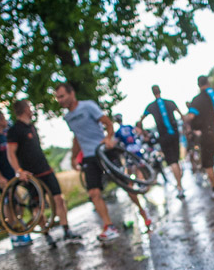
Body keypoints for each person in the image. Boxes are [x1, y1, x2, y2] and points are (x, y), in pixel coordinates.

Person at [54, 83, 151, 240]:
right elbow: (77, 137)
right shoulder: (68, 117)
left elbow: (108, 123)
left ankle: (143, 212)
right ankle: (109, 226)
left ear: (72, 94)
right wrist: (73, 157)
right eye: (57, 97)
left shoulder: (88, 107)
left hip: (104, 152)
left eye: (62, 96)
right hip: (89, 157)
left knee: (126, 185)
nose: (59, 100)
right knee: (93, 192)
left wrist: (108, 138)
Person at [5, 99, 80, 246]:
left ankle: (66, 230)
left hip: (45, 169)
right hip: (31, 176)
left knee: (59, 199)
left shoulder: (31, 127)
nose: (32, 110)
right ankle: (46, 234)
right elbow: (11, 153)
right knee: (37, 207)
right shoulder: (15, 130)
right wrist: (19, 171)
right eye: (30, 107)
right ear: (25, 109)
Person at [0, 109, 31, 248]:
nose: (6, 120)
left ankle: (19, 227)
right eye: (4, 118)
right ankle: (14, 234)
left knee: (17, 202)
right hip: (3, 178)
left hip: (12, 175)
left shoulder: (6, 136)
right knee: (8, 203)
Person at [140, 85, 186, 198]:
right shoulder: (170, 103)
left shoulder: (151, 106)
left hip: (164, 137)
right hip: (174, 134)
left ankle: (179, 187)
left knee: (172, 162)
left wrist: (144, 133)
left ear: (152, 93)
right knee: (176, 160)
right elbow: (182, 116)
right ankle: (180, 183)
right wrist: (185, 128)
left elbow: (140, 120)